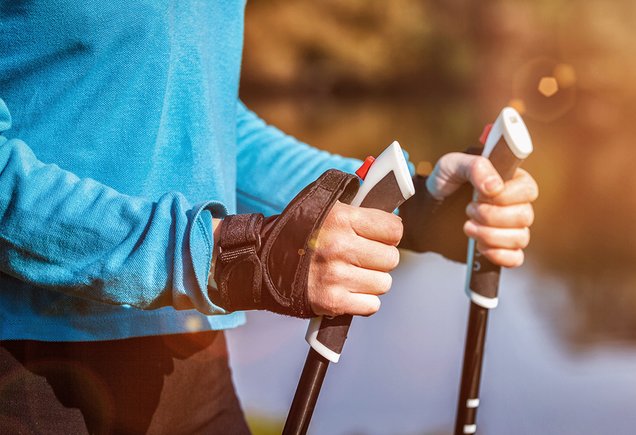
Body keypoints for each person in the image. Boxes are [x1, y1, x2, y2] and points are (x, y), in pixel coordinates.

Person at [0, 3, 538, 434]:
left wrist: (413, 208)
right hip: (28, 373)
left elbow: (211, 123)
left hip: (193, 359)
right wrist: (232, 257)